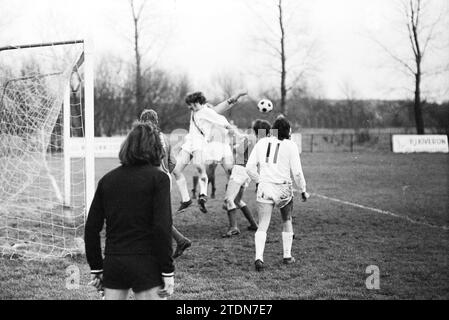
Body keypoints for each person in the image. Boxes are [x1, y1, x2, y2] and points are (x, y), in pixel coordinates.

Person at [85, 122, 174, 300]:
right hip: (146, 263)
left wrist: (97, 268)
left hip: (114, 262)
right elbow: (162, 227)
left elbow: (91, 229)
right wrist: (168, 271)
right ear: (156, 148)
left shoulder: (107, 180)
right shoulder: (159, 179)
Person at [246, 115, 309, 272]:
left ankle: (259, 257)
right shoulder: (291, 145)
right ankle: (287, 256)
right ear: (288, 131)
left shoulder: (261, 142)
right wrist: (303, 190)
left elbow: (249, 168)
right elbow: (297, 173)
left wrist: (259, 180)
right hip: (283, 188)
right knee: (287, 220)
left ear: (274, 129)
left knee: (263, 224)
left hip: (265, 187)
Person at [172, 90, 247, 213]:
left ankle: (203, 195)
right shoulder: (194, 111)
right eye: (189, 105)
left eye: (192, 104)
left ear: (199, 102)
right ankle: (186, 200)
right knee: (176, 170)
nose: (190, 107)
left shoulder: (207, 111)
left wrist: (238, 134)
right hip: (189, 142)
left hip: (200, 143)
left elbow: (223, 121)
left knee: (200, 168)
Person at [140, 109, 192, 259]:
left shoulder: (143, 137)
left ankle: (176, 242)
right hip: (165, 178)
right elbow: (172, 162)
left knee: (149, 214)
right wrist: (164, 171)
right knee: (155, 214)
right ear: (156, 121)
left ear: (142, 121)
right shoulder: (165, 138)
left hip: (150, 179)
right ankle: (179, 240)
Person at [221, 119, 271, 237]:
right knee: (237, 200)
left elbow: (239, 150)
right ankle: (253, 224)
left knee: (229, 200)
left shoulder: (250, 138)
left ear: (255, 129)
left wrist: (233, 146)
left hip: (240, 169)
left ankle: (233, 227)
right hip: (249, 173)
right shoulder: (263, 142)